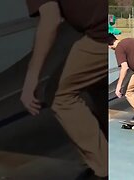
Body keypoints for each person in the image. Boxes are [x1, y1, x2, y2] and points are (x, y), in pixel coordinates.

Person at [20, 1, 108, 179]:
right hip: (113, 24)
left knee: (59, 95)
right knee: (94, 83)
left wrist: (31, 78)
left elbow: (50, 19)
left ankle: (105, 169)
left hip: (103, 33)